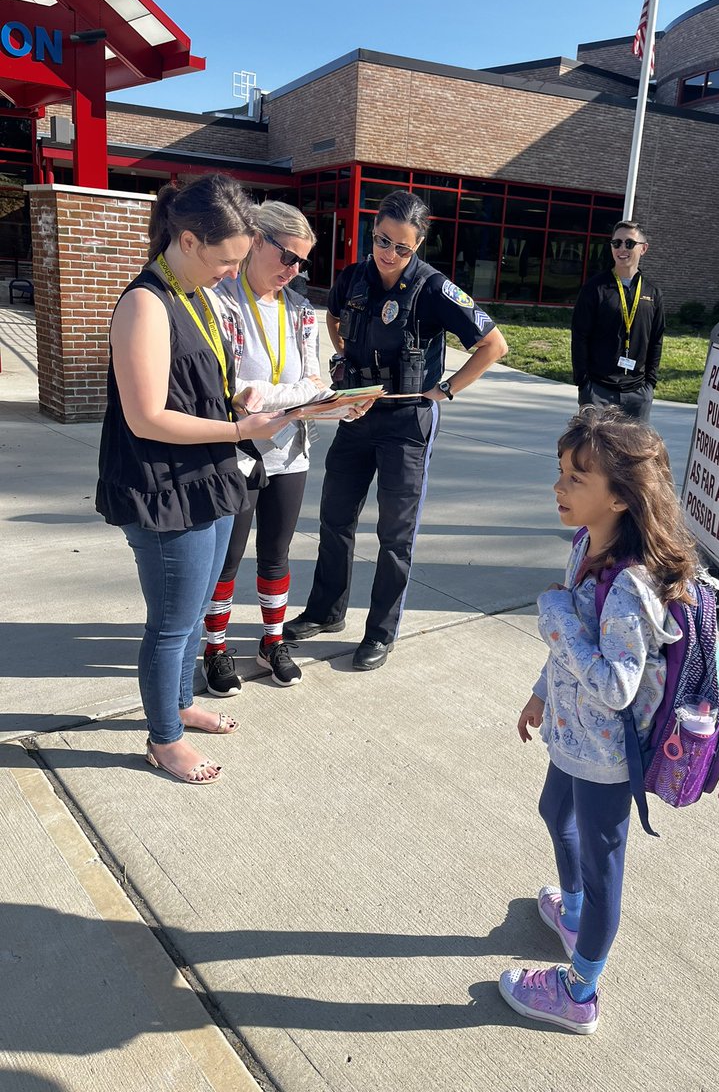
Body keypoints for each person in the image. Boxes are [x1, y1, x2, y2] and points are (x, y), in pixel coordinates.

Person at [96, 174, 304, 785]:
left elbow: (196, 387)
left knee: (194, 610)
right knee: (172, 622)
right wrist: (244, 433)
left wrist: (256, 406)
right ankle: (164, 738)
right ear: (187, 239)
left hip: (206, 474)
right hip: (163, 486)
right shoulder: (145, 302)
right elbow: (147, 417)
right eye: (225, 260)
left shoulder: (194, 294)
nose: (231, 273)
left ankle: (181, 704)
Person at [498, 405, 698, 1033]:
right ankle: (576, 911)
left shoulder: (631, 588)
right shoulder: (586, 545)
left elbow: (617, 685)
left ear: (620, 497)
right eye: (560, 472)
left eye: (576, 479)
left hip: (609, 755)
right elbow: (570, 640)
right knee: (554, 815)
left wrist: (556, 622)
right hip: (572, 731)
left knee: (603, 856)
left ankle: (580, 990)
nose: (559, 488)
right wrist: (540, 691)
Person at [284, 189, 508, 671]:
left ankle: (380, 632)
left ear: (419, 244)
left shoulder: (434, 289)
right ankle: (326, 611)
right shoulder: (353, 278)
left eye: (401, 248)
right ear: (373, 232)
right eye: (382, 241)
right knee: (335, 518)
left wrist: (445, 391)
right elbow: (335, 317)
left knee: (395, 534)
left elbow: (494, 344)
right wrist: (344, 356)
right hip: (356, 414)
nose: (388, 254)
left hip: (406, 423)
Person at [201, 202, 335, 696]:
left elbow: (313, 379)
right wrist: (297, 392)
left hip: (290, 450)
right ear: (256, 240)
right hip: (237, 450)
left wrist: (331, 402)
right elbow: (236, 386)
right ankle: (216, 648)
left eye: (302, 262)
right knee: (228, 559)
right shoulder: (222, 301)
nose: (294, 271)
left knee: (276, 553)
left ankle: (272, 641)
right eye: (287, 257)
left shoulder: (299, 308)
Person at [570, 220, 665, 422]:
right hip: (598, 390)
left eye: (629, 243)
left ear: (643, 248)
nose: (622, 248)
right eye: (617, 243)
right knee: (593, 452)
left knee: (634, 453)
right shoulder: (595, 288)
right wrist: (584, 382)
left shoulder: (652, 292)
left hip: (637, 393)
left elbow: (656, 340)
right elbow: (579, 336)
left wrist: (650, 383)